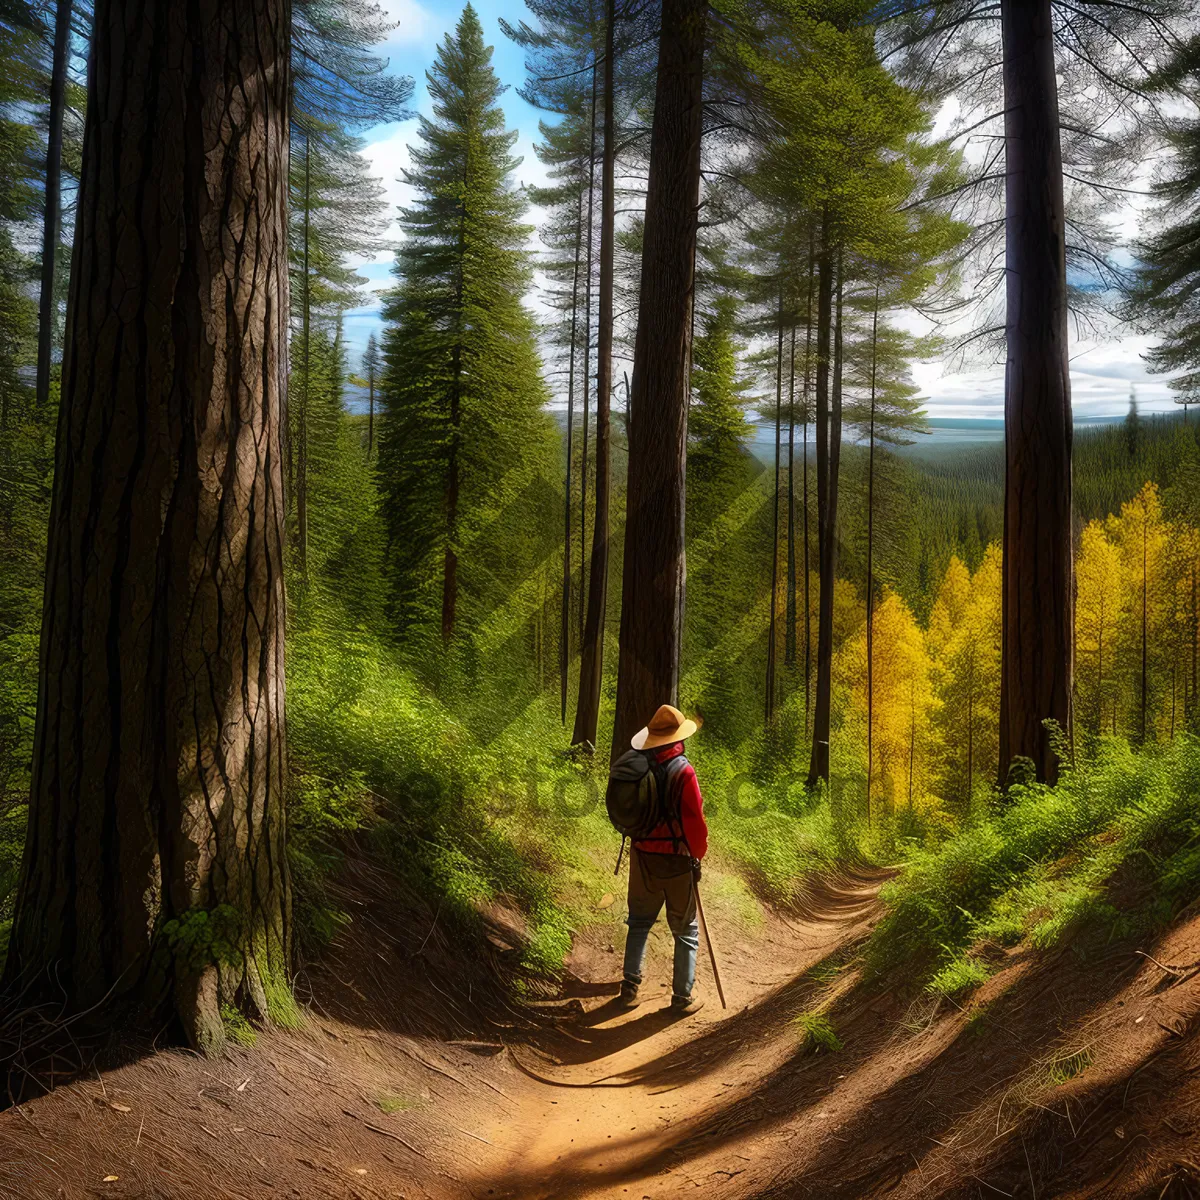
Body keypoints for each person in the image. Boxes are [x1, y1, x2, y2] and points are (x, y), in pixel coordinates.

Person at [618, 704, 708, 1015]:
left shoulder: (637, 766)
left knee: (639, 922)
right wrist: (698, 854)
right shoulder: (683, 771)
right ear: (677, 738)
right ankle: (681, 997)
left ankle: (629, 985)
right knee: (686, 930)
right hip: (676, 859)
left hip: (641, 855)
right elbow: (694, 820)